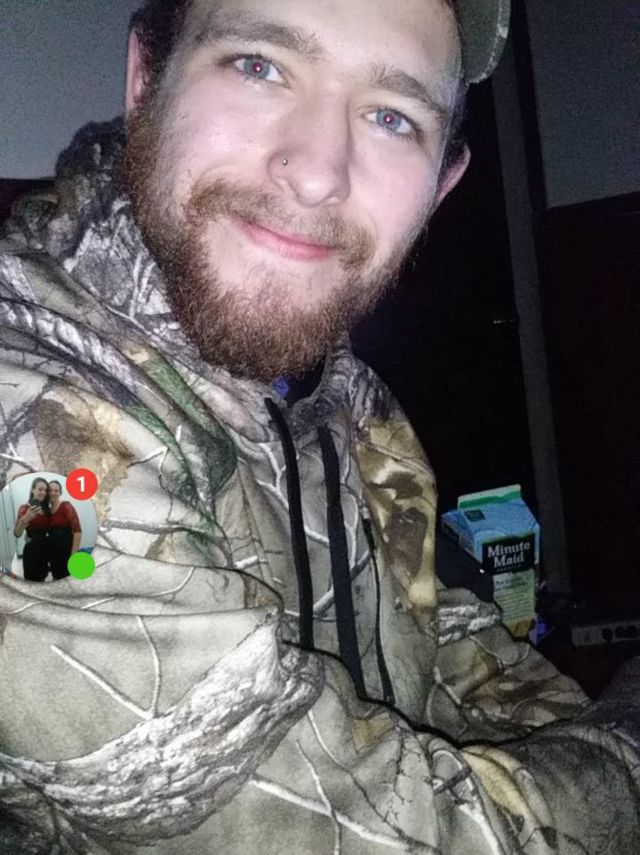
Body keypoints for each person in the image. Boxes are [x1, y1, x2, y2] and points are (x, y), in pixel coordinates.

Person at [0, 0, 638, 852]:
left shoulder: (346, 398)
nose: (316, 172)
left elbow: (451, 641)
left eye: (392, 116)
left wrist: (580, 719)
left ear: (442, 184)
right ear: (146, 82)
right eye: (259, 65)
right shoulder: (31, 428)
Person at [13, 477, 50, 582]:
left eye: (45, 490)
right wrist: (25, 519)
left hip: (44, 548)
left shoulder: (46, 508)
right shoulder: (24, 508)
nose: (43, 492)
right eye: (40, 489)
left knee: (43, 577)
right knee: (32, 579)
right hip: (32, 551)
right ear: (32, 490)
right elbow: (17, 533)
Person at [45, 480, 82, 579]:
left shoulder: (66, 506)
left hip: (67, 551)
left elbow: (77, 531)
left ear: (60, 493)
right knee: (57, 577)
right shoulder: (47, 511)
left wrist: (73, 555)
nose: (53, 493)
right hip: (53, 552)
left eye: (56, 491)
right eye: (50, 490)